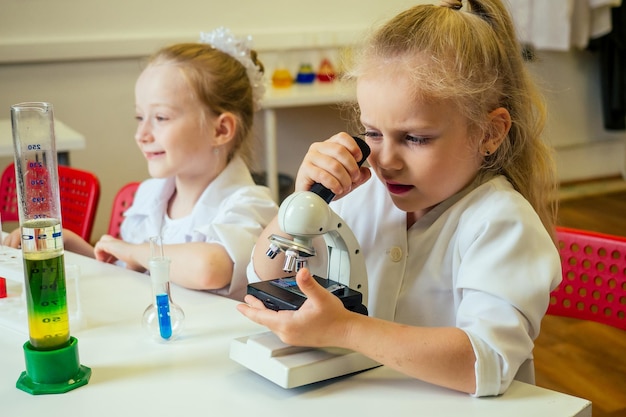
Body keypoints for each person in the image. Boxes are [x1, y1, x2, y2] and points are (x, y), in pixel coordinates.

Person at [237, 1, 562, 397]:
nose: (386, 161)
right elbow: (264, 277)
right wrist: (301, 203)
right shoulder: (361, 194)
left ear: (489, 133)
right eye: (372, 132)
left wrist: (345, 328)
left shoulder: (501, 223)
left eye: (415, 138)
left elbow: (484, 364)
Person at [4, 27, 278, 301]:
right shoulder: (150, 195)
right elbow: (130, 272)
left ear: (220, 130)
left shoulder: (250, 205)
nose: (142, 135)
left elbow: (210, 268)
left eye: (160, 117)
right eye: (139, 117)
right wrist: (72, 245)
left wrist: (135, 250)